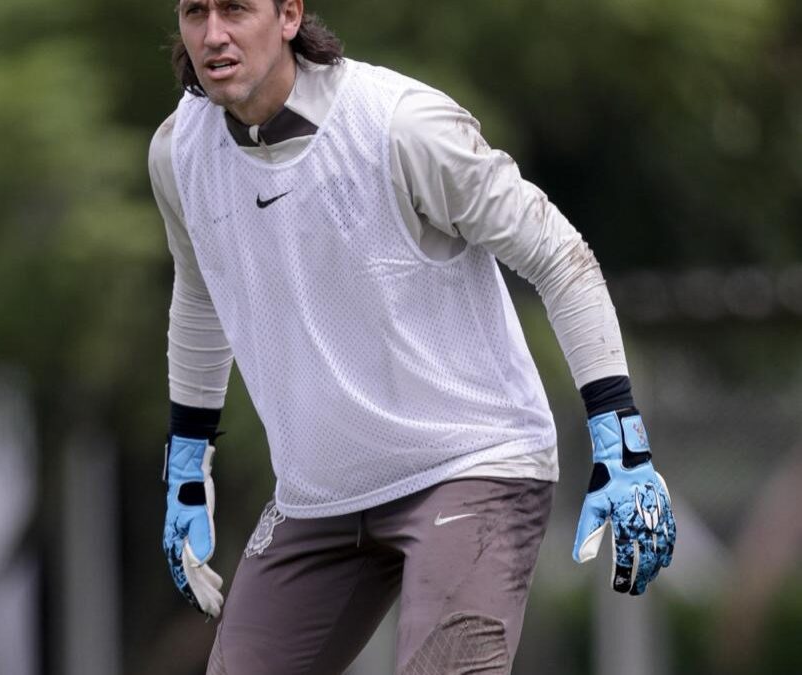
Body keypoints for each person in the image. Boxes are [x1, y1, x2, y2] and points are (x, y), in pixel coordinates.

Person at [151, 1, 677, 672]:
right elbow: (200, 292)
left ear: (288, 15)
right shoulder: (178, 153)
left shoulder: (400, 126)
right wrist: (186, 467)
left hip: (470, 464)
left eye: (236, 8)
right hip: (319, 494)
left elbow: (560, 255)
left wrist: (620, 434)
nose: (214, 33)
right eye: (196, 11)